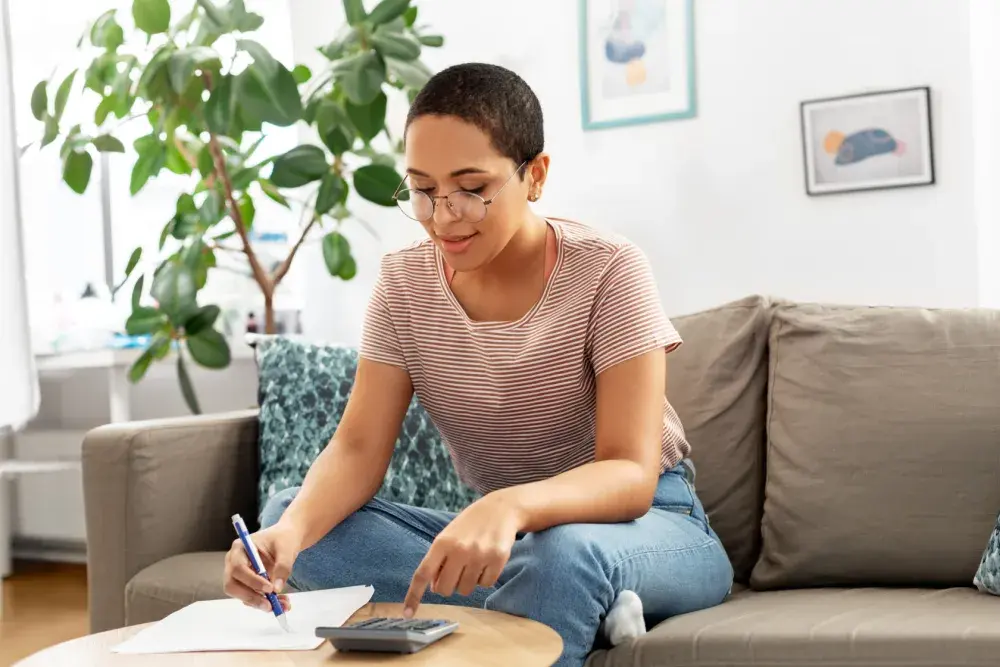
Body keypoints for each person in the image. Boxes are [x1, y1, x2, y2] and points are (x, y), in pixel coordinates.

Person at [222, 62, 733, 667]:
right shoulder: (403, 281)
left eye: (471, 188)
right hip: (513, 543)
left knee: (563, 556)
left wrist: (508, 505)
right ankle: (576, 606)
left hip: (651, 528)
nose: (444, 216)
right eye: (422, 190)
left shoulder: (609, 269)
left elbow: (629, 474)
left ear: (534, 175)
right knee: (292, 517)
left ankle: (571, 590)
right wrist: (288, 536)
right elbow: (358, 449)